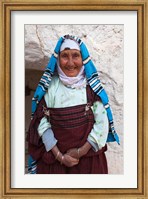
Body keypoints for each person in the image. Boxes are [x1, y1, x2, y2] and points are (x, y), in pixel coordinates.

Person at [27, 35, 120, 174]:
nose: (70, 63)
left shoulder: (91, 89)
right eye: (65, 56)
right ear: (58, 59)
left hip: (89, 162)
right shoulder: (50, 89)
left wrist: (80, 151)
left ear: (83, 59)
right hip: (55, 163)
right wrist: (60, 156)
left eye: (75, 55)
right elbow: (43, 123)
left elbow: (102, 123)